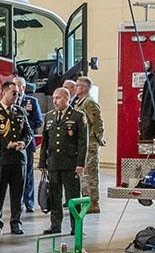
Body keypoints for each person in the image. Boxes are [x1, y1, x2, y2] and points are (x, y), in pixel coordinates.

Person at [37, 87, 88, 235]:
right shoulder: (49, 116)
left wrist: (80, 164)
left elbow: (82, 142)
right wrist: (42, 162)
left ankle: (76, 227)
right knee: (54, 196)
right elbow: (45, 142)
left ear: (67, 98)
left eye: (58, 98)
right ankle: (55, 225)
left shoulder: (78, 116)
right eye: (53, 98)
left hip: (70, 164)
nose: (55, 101)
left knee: (73, 197)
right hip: (53, 163)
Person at [0, 81, 33, 235]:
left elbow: (28, 132)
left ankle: (16, 222)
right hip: (1, 159)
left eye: (18, 93)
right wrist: (7, 144)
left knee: (17, 194)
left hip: (18, 159)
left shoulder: (20, 111)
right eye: (14, 93)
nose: (17, 96)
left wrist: (24, 142)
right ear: (4, 92)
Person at [72, 76, 105, 213]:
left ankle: (93, 203)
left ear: (85, 87)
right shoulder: (80, 102)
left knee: (90, 175)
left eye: (78, 85)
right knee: (84, 175)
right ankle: (86, 201)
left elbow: (97, 122)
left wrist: (98, 138)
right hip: (83, 144)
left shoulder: (89, 103)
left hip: (90, 144)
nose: (75, 88)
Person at [14, 76, 43, 212]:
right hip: (12, 143)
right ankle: (17, 202)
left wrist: (25, 127)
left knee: (28, 173)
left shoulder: (31, 101)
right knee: (15, 175)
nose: (14, 89)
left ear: (23, 87)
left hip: (27, 142)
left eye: (16, 85)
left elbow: (38, 121)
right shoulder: (10, 102)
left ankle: (29, 202)